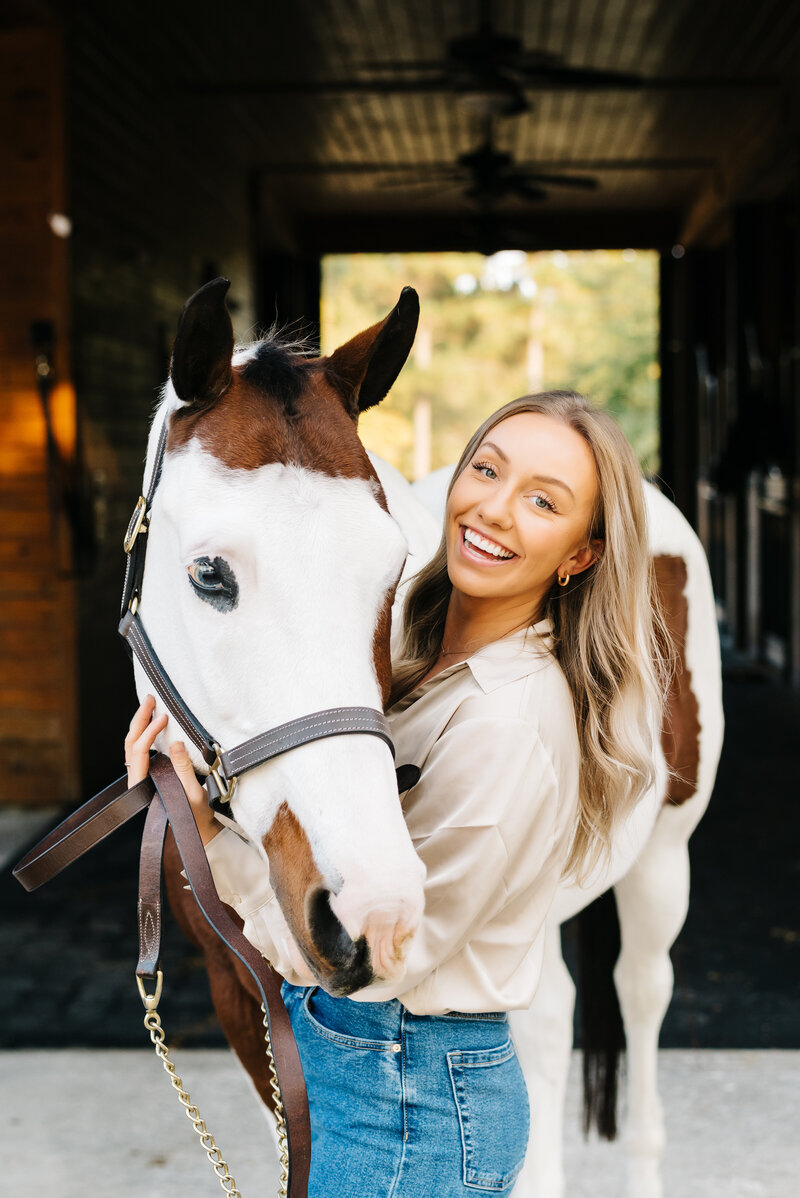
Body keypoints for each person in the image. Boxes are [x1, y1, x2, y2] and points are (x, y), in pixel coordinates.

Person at [126, 391, 668, 1197]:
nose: (494, 509)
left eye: (543, 501)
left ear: (579, 555)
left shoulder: (507, 721)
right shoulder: (414, 651)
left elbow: (375, 962)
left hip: (410, 1101)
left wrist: (213, 845)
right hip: (386, 1084)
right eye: (486, 469)